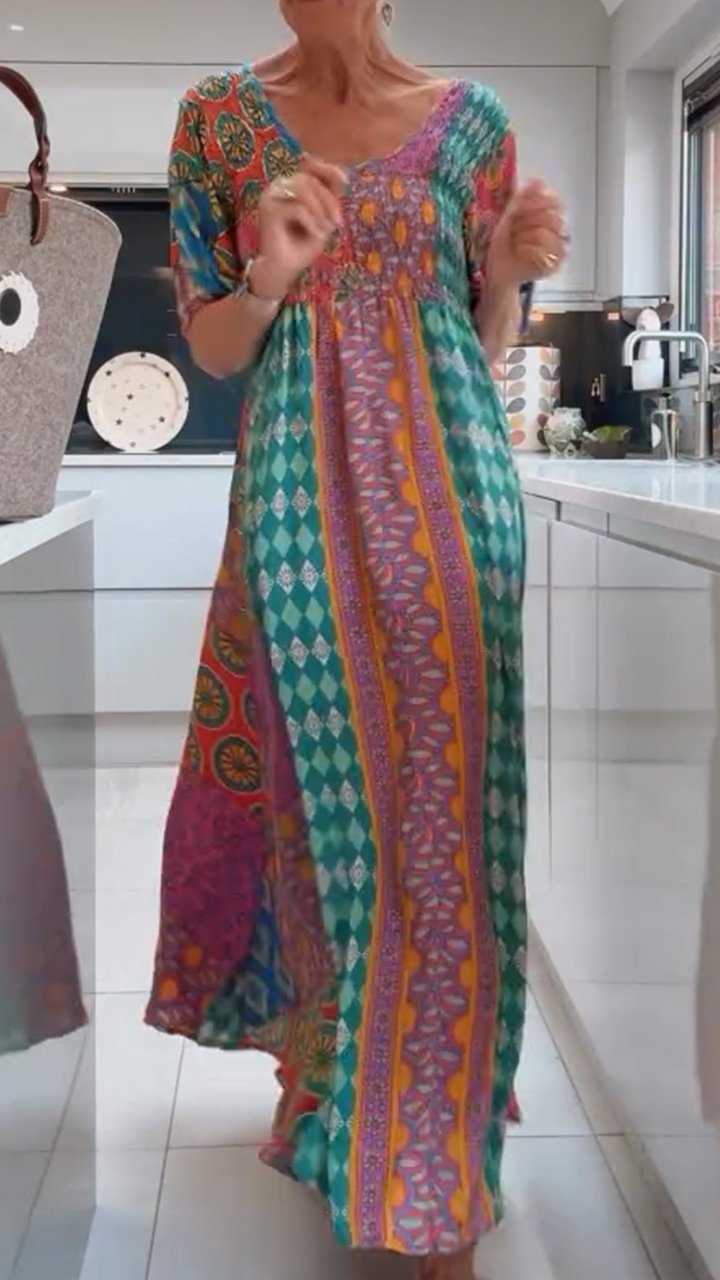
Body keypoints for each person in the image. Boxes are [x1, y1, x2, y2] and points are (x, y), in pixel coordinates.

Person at [146, 2, 566, 1276]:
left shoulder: (472, 125)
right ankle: (340, 1090)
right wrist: (269, 272)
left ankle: (429, 1156)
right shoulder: (220, 120)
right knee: (317, 808)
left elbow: (478, 345)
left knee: (450, 818)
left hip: (454, 502)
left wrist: (510, 275)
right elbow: (215, 344)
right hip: (294, 508)